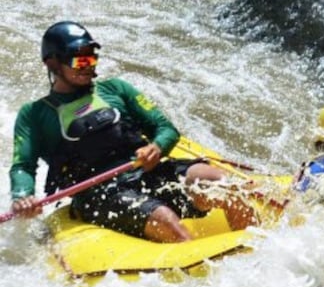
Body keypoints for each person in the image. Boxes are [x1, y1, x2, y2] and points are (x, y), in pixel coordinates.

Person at [8, 21, 257, 242]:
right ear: (53, 63)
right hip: (100, 193)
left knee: (219, 183)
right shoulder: (34, 114)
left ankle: (256, 247)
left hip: (146, 172)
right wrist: (23, 196)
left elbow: (165, 128)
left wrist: (157, 148)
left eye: (91, 58)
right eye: (79, 60)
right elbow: (23, 165)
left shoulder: (116, 89)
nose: (87, 66)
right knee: (167, 222)